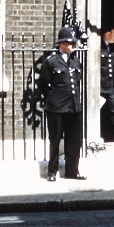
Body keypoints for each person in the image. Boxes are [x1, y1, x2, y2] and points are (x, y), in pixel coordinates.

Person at [38, 26, 86, 182]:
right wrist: (53, 99)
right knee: (55, 140)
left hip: (73, 107)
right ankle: (52, 172)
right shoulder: (51, 62)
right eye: (69, 43)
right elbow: (43, 85)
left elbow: (77, 83)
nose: (72, 46)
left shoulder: (76, 60)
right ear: (62, 44)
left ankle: (73, 170)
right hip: (56, 107)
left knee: (74, 141)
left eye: (73, 43)